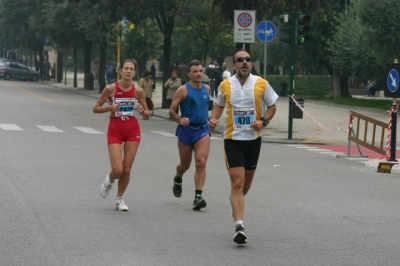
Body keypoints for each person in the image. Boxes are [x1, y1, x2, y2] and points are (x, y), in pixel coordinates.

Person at [209, 49, 278, 244]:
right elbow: (220, 105)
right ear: (234, 65)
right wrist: (214, 119)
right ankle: (239, 226)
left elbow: (272, 106)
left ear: (251, 64)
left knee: (245, 185)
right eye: (240, 60)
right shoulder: (225, 85)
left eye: (248, 60)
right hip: (232, 139)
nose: (245, 63)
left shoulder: (261, 83)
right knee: (237, 182)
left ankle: (236, 203)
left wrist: (263, 121)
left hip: (253, 140)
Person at [93, 59, 151, 211]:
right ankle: (110, 179)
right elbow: (96, 108)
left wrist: (142, 111)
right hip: (115, 129)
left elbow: (147, 114)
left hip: (132, 129)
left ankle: (120, 199)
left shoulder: (138, 91)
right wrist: (110, 108)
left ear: (135, 72)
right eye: (126, 68)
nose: (128, 71)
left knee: (127, 168)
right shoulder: (111, 88)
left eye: (132, 69)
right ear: (120, 71)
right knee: (118, 170)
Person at [169, 59, 211, 211]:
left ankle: (198, 196)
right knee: (185, 165)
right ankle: (178, 177)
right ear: (188, 74)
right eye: (195, 71)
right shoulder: (183, 90)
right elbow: (171, 111)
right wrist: (180, 119)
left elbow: (205, 109)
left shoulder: (207, 88)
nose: (199, 74)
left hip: (202, 130)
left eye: (200, 71)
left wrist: (211, 120)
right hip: (186, 131)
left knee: (201, 162)